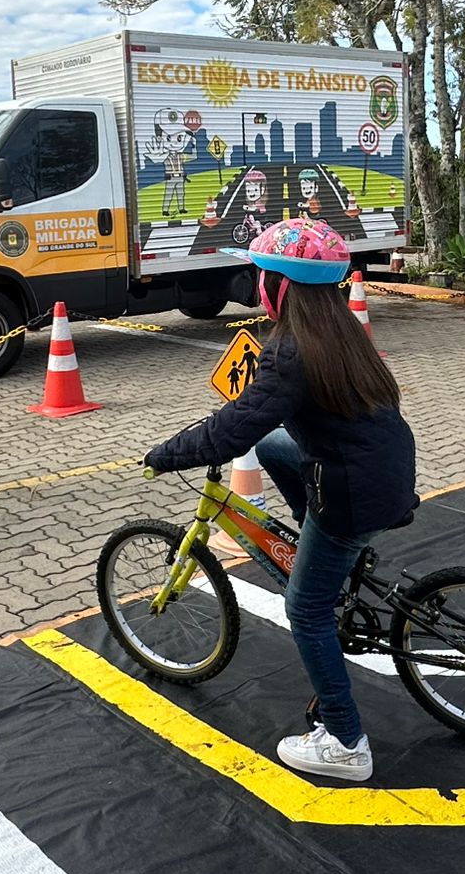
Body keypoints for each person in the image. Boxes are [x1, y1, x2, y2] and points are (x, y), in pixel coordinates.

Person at [145, 219, 417, 782]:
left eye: (260, 276)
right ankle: (314, 540)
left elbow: (228, 432)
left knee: (305, 611)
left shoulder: (290, 352)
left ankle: (345, 743)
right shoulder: (339, 332)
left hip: (351, 495)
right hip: (381, 471)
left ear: (281, 288)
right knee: (274, 444)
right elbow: (257, 427)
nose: (254, 286)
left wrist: (167, 453)